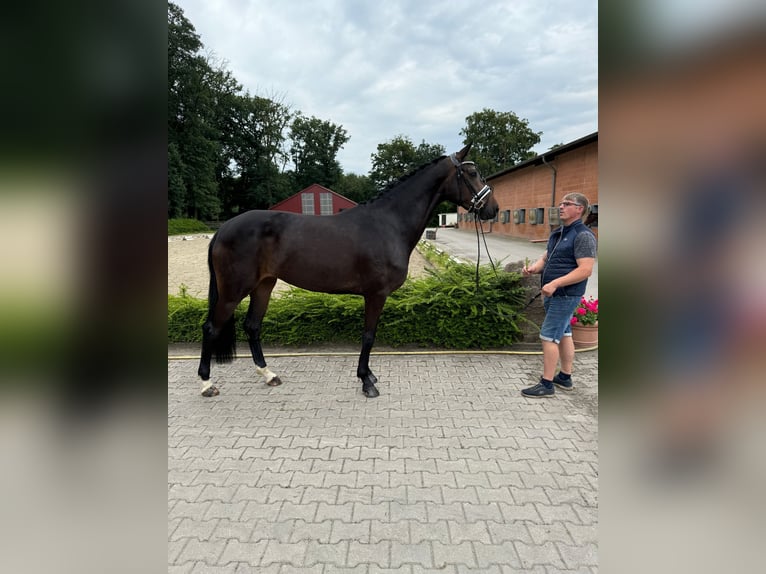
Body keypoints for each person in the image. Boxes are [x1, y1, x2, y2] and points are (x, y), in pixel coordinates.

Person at [521, 193, 597, 397]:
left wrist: (555, 283)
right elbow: (546, 257)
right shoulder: (558, 233)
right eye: (561, 203)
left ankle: (546, 384)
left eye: (566, 204)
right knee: (564, 334)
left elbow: (585, 270)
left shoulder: (583, 236)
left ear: (579, 209)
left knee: (548, 336)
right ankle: (565, 376)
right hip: (554, 294)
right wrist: (533, 269)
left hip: (565, 294)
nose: (560, 207)